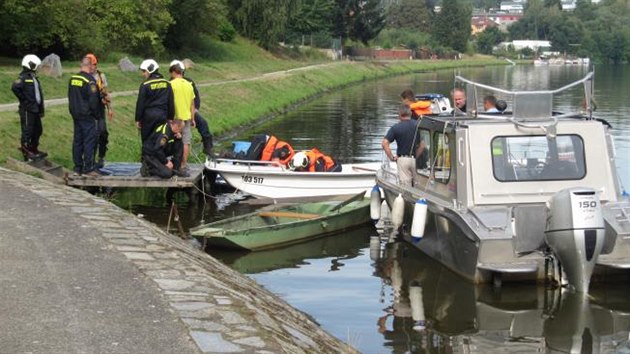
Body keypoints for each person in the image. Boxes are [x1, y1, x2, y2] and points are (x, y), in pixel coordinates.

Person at [171, 60, 214, 157]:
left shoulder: (189, 82)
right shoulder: (170, 83)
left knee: (203, 123)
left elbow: (195, 98)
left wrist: (195, 110)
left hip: (189, 111)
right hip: (176, 113)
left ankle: (208, 147)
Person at [68, 56, 101, 177]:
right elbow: (93, 101)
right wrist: (96, 115)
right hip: (87, 116)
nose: (93, 68)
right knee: (89, 141)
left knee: (77, 140)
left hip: (76, 115)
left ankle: (77, 167)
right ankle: (89, 168)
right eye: (92, 65)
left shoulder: (73, 79)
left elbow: (70, 97)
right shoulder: (90, 81)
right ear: (89, 66)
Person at [12, 54, 46, 160]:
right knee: (28, 130)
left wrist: (41, 109)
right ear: (30, 64)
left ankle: (33, 148)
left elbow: (38, 94)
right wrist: (24, 100)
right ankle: (26, 152)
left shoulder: (33, 77)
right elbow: (14, 87)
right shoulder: (23, 78)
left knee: (38, 130)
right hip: (27, 109)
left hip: (35, 109)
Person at [382, 105, 424, 187]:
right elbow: (422, 145)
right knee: (418, 186)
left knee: (405, 187)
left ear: (399, 114)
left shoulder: (396, 128)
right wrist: (416, 157)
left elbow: (384, 143)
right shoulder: (418, 125)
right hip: (416, 160)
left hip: (402, 160)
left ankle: (406, 199)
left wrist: (391, 157)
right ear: (410, 114)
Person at [85, 53, 114, 168]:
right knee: (92, 135)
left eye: (95, 64)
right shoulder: (84, 77)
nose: (94, 67)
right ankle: (89, 159)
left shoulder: (101, 76)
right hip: (88, 110)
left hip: (100, 108)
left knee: (103, 133)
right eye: (92, 64)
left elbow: (105, 93)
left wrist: (109, 108)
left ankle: (101, 156)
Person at [135, 59, 174, 144]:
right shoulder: (167, 83)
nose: (143, 74)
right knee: (160, 141)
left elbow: (140, 104)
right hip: (162, 116)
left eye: (144, 71)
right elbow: (171, 102)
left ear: (150, 70)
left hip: (148, 117)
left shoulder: (145, 85)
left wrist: (138, 119)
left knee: (147, 140)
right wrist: (170, 117)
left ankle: (146, 156)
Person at [168, 60, 195, 173]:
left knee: (172, 140)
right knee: (185, 142)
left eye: (171, 73)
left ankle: (173, 163)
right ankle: (183, 165)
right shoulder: (189, 85)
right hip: (187, 117)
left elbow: (168, 102)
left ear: (174, 72)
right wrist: (193, 118)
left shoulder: (170, 84)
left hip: (175, 118)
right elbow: (192, 104)